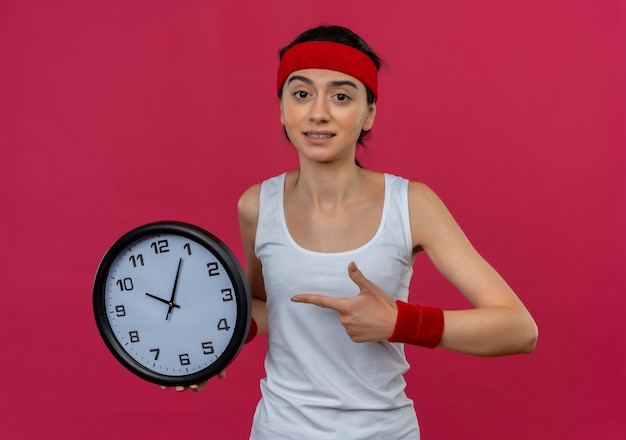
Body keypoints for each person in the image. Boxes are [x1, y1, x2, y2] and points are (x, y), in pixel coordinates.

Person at [177, 25, 538, 439]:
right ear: (282, 108)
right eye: (301, 93)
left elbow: (518, 328)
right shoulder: (256, 205)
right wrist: (209, 352)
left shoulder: (411, 204)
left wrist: (400, 322)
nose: (318, 112)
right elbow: (263, 304)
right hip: (280, 430)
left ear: (368, 113)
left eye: (342, 96)